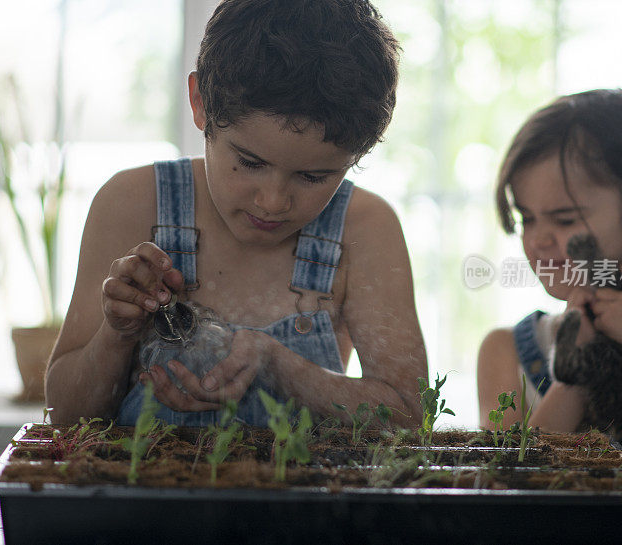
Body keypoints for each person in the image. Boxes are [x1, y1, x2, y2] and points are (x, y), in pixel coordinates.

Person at [46, 0, 428, 430]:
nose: (273, 201)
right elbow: (64, 414)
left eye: (314, 175)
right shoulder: (132, 204)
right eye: (249, 162)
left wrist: (279, 367)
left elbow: (408, 417)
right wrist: (117, 334)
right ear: (200, 103)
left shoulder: (363, 230)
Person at [477, 89, 622, 491]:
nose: (537, 240)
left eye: (564, 219)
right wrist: (576, 368)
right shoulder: (506, 352)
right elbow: (511, 487)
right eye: (527, 218)